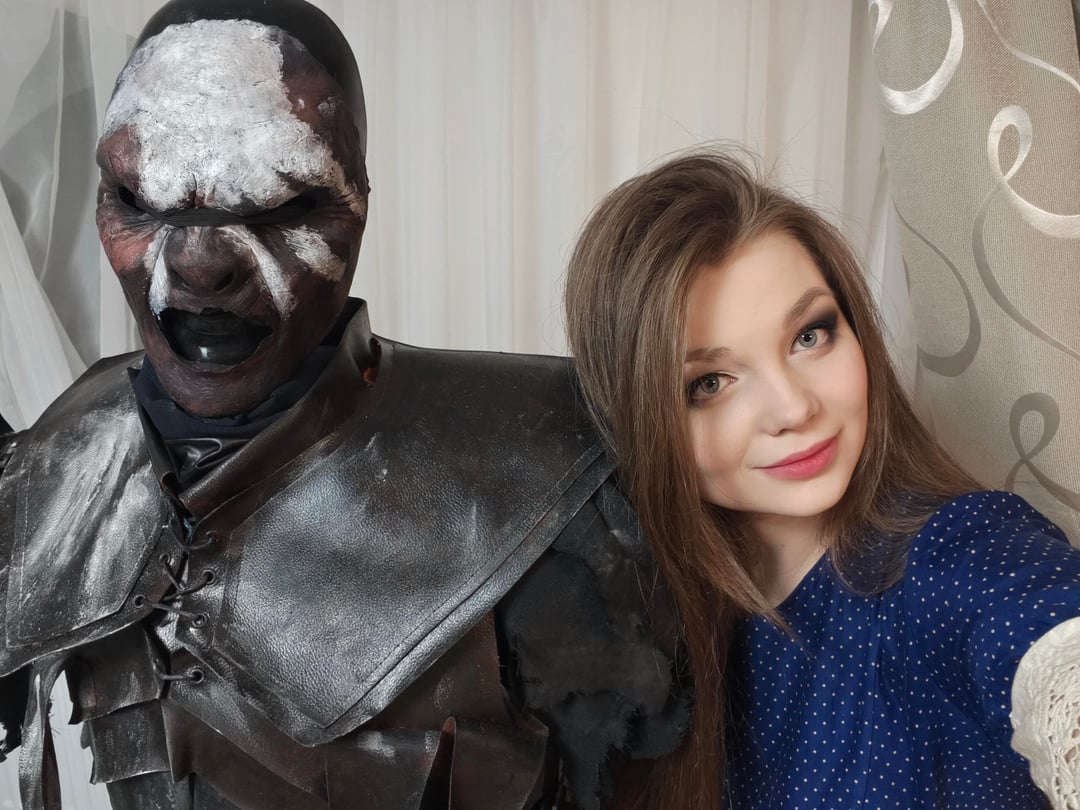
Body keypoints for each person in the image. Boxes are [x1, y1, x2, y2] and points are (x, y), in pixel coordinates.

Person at [0, 2, 690, 808]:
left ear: (358, 205)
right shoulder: (52, 463)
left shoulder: (555, 468)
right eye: (141, 200)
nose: (198, 262)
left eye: (281, 205)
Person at [563, 147, 1080, 809]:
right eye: (710, 383)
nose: (794, 408)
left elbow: (1046, 636)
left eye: (809, 335)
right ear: (640, 422)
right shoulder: (660, 633)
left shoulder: (950, 553)